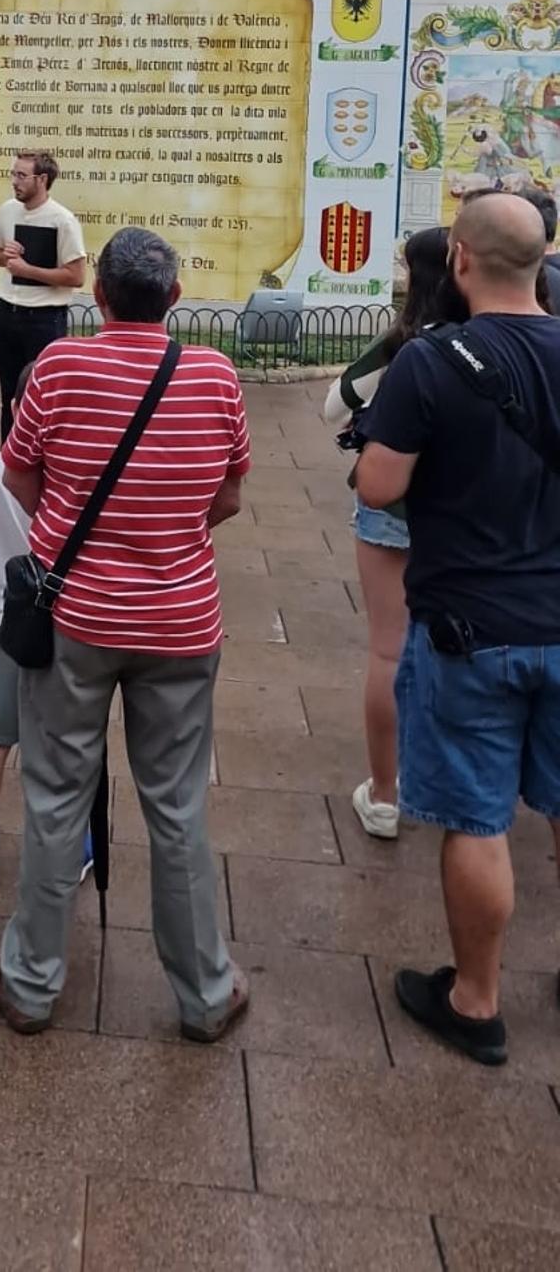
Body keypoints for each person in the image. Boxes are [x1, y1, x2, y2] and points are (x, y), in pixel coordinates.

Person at [0, 225, 250, 1039]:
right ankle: (206, 993)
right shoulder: (215, 374)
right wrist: (165, 537)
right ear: (174, 298)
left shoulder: (60, 367)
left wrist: (73, 528)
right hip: (182, 622)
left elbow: (18, 473)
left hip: (73, 619)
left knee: (56, 797)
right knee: (178, 804)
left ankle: (30, 982)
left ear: (97, 297)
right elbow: (228, 497)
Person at [357, 192, 560, 1068]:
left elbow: (379, 486)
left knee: (478, 819)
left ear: (461, 261)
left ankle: (476, 1000)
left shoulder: (432, 361)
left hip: (470, 627)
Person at [323, 226, 464, 839]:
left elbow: (335, 404)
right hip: (469, 513)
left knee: (389, 649)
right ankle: (459, 781)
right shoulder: (493, 337)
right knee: (466, 642)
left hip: (394, 507)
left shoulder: (405, 343)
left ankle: (385, 796)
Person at [0, 360, 96, 898]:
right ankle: (69, 850)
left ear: (14, 408)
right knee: (64, 745)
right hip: (67, 621)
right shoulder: (83, 469)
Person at [0, 150, 86, 442]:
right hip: (7, 313)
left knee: (40, 396)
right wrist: (5, 256)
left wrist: (28, 270)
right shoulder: (8, 210)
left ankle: (39, 454)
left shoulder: (63, 220)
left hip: (43, 319)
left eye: (22, 175)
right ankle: (8, 455)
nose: (14, 181)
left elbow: (76, 276)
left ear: (42, 180)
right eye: (13, 174)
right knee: (8, 395)